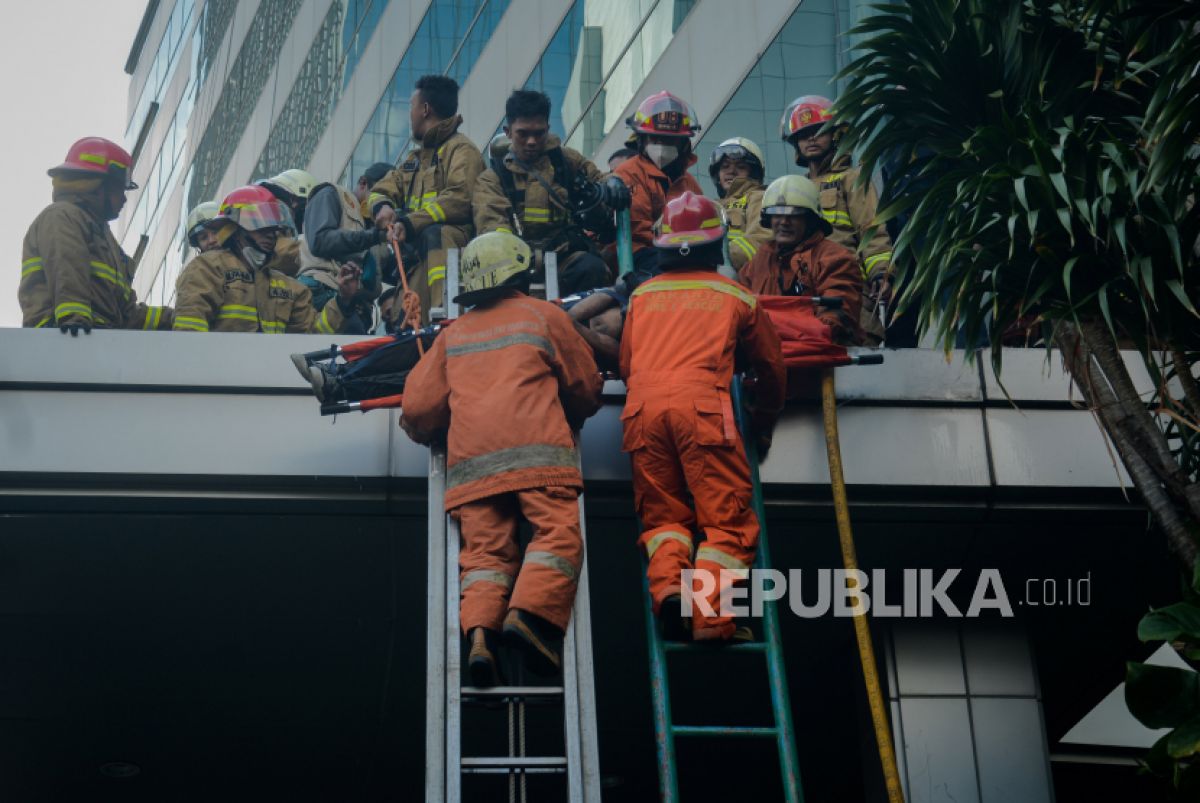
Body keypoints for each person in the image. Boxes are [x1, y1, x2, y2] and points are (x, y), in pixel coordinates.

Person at [400, 231, 603, 685]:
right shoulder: (544, 316)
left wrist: (427, 433)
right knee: (556, 537)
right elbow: (586, 387)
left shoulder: (454, 335)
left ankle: (480, 636)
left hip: (473, 470)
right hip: (539, 458)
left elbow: (416, 409)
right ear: (521, 270)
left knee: (485, 558)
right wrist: (574, 412)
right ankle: (528, 618)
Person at [618, 191, 785, 642]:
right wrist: (762, 422)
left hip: (642, 412)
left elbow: (627, 364)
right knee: (727, 523)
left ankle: (672, 593)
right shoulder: (737, 295)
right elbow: (771, 370)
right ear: (718, 245)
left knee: (664, 521)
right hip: (704, 411)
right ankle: (711, 621)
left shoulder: (641, 297)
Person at [473, 89, 629, 296]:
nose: (531, 141)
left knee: (592, 270)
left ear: (548, 128)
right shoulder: (492, 179)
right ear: (508, 131)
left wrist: (614, 182)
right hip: (516, 265)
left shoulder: (566, 161)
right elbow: (492, 227)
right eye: (523, 133)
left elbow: (597, 177)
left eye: (539, 133)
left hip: (566, 258)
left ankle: (579, 325)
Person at [20, 137, 173, 333]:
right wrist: (74, 320)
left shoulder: (104, 237)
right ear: (98, 185)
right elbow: (67, 267)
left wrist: (174, 319)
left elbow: (126, 314)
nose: (124, 199)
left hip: (94, 340)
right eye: (120, 189)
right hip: (61, 338)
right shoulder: (63, 216)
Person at [369, 75, 485, 323]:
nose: (410, 114)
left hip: (450, 252)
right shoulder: (415, 160)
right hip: (418, 260)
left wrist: (410, 223)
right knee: (406, 332)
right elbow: (381, 188)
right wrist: (382, 206)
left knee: (437, 233)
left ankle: (444, 311)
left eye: (411, 107)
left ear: (424, 109)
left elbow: (461, 198)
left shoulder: (462, 151)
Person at [781, 95, 893, 344]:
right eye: (803, 134)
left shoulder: (852, 179)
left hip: (848, 289)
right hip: (805, 296)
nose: (810, 139)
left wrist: (880, 274)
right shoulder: (795, 188)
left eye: (819, 131)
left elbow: (871, 230)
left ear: (836, 135)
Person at [172, 185, 359, 334]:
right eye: (260, 226)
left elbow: (313, 334)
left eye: (273, 228)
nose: (270, 235)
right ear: (234, 229)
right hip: (220, 376)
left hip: (268, 378)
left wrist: (343, 300)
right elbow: (189, 332)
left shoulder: (289, 287)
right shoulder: (207, 269)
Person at [737, 175, 863, 344]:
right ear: (768, 219)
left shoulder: (834, 258)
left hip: (819, 360)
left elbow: (836, 318)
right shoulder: (759, 262)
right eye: (776, 214)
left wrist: (781, 336)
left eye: (794, 215)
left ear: (810, 220)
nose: (784, 222)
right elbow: (739, 312)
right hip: (767, 360)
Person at [262, 168, 385, 333]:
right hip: (324, 290)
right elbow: (323, 242)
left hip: (337, 297)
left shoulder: (298, 237)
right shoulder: (281, 241)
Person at [612, 91, 705, 289]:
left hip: (682, 252)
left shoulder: (689, 183)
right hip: (638, 253)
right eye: (656, 139)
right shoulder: (628, 174)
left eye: (669, 140)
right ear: (642, 140)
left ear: (683, 144)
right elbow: (638, 230)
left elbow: (703, 225)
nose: (662, 146)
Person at [708, 137, 771, 271]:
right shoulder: (710, 205)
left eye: (741, 167)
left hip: (744, 281)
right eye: (725, 166)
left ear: (753, 173)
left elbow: (761, 239)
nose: (731, 171)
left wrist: (715, 256)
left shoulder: (759, 198)